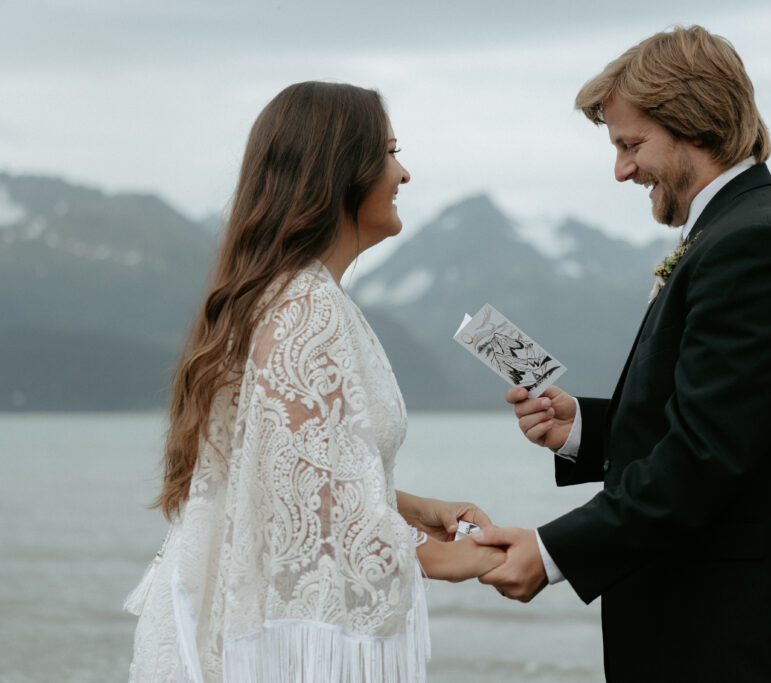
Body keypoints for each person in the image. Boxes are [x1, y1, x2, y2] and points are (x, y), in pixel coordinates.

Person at [472, 26, 771, 681]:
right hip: (703, 626)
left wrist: (551, 550)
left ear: (694, 127)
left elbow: (704, 455)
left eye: (631, 144)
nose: (621, 169)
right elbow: (712, 420)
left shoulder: (756, 248)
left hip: (733, 636)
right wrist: (582, 428)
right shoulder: (733, 231)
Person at [125, 81, 502, 683]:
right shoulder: (306, 307)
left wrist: (412, 507)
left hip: (222, 626)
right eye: (389, 152)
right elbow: (311, 495)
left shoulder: (283, 295)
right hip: (251, 651)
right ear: (340, 170)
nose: (403, 174)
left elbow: (285, 468)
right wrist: (447, 558)